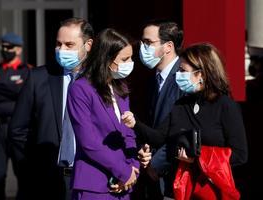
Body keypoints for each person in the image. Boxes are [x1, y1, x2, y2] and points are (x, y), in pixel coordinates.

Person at [123, 43, 248, 198]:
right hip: (177, 189)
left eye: (183, 71)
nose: (178, 75)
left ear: (201, 74)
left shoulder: (225, 105)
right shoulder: (181, 104)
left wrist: (197, 158)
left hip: (210, 190)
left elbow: (240, 155)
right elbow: (159, 137)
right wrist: (136, 124)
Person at [8, 18, 93, 200]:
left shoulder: (100, 81)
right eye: (58, 44)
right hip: (46, 180)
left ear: (88, 45)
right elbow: (18, 130)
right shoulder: (38, 78)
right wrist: (28, 170)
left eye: (69, 45)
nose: (62, 50)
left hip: (90, 179)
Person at [67, 28, 140, 200]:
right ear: (107, 59)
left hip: (124, 185)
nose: (130, 63)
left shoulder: (120, 88)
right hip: (93, 184)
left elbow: (128, 132)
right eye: (125, 59)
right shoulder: (81, 89)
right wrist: (123, 171)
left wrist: (133, 168)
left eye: (131, 58)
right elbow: (88, 141)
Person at [136, 20, 184, 199]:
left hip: (173, 175)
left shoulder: (183, 77)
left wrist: (156, 164)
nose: (143, 47)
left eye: (148, 43)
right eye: (142, 42)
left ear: (168, 46)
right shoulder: (152, 80)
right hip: (151, 176)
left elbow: (182, 129)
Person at [0, 32, 31, 200]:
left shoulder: (27, 71)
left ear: (18, 49)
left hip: (18, 129)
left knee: (25, 175)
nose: (5, 50)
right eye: (3, 47)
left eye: (9, 47)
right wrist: (12, 90)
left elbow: (25, 95)